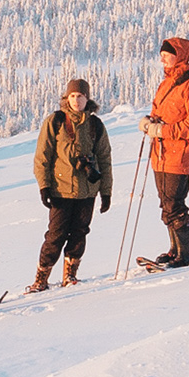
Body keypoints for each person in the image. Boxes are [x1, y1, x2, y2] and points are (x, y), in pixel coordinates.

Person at [29, 76, 113, 291]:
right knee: (55, 236)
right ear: (67, 98)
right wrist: (44, 186)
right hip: (61, 190)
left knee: (80, 233)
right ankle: (41, 278)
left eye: (81, 96)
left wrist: (106, 192)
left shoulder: (95, 125)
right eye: (73, 96)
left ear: (87, 99)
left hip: (87, 191)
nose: (76, 100)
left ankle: (70, 275)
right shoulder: (55, 121)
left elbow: (105, 159)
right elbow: (42, 157)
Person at [143, 35, 189, 267]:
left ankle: (186, 253)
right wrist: (149, 122)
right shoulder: (167, 83)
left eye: (166, 55)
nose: (162, 60)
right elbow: (158, 109)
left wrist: (162, 130)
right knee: (165, 202)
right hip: (160, 153)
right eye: (161, 56)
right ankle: (175, 249)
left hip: (179, 153)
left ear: (178, 55)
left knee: (175, 203)